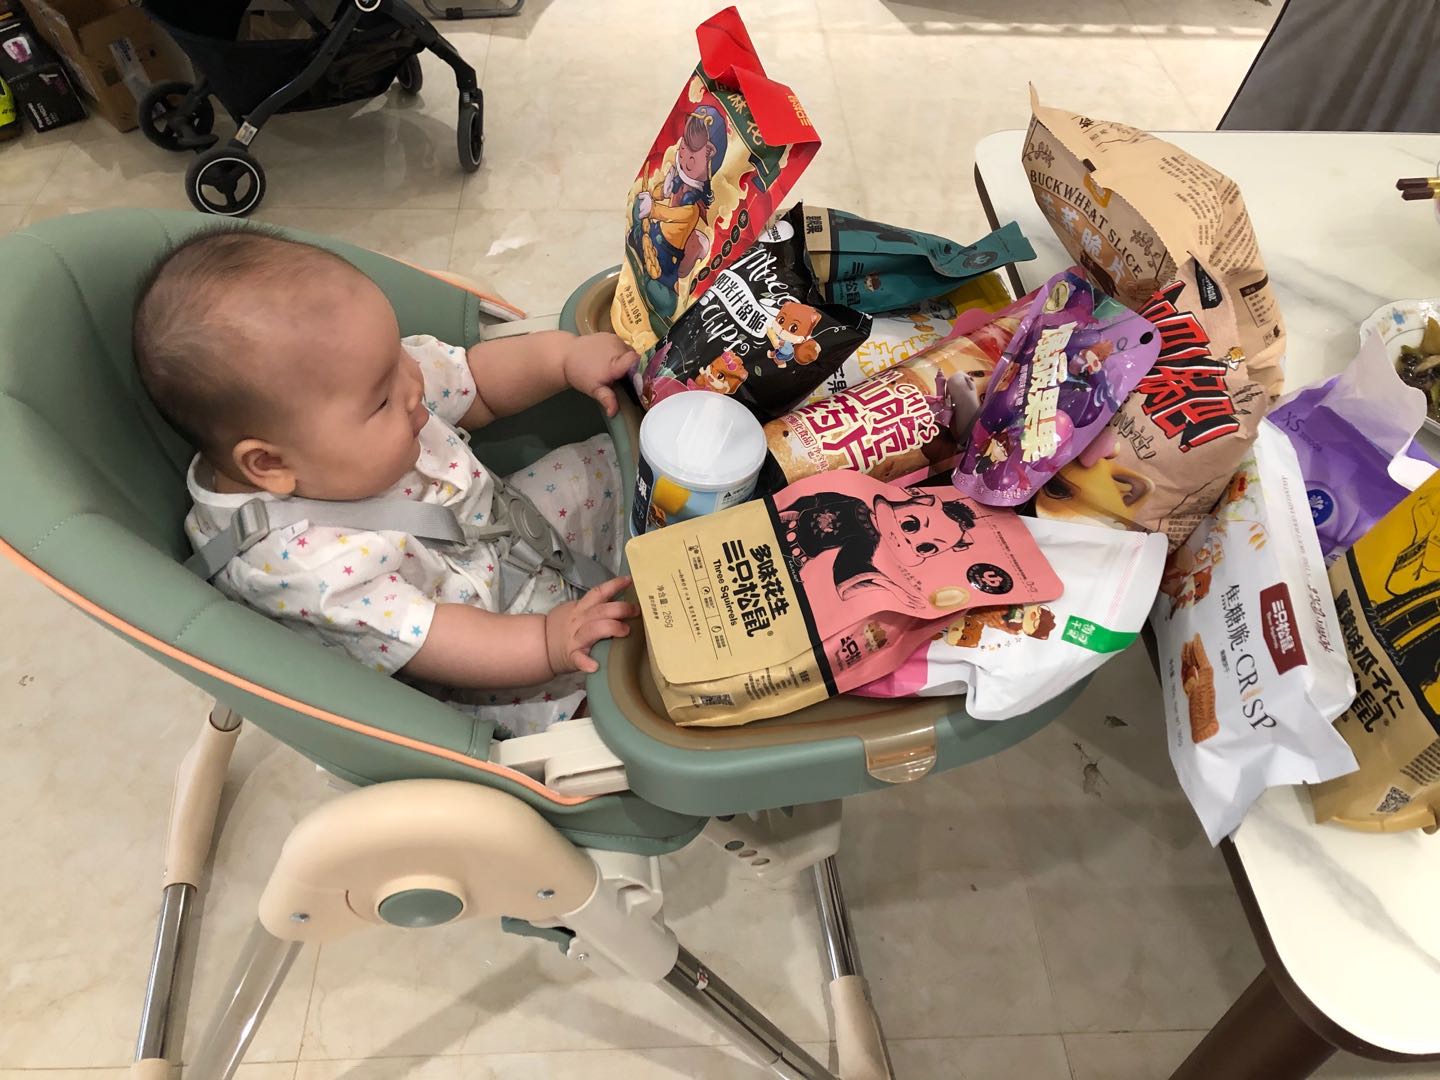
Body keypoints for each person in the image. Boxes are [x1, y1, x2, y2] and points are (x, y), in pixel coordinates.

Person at [133, 228, 641, 737]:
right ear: (269, 464)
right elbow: (431, 638)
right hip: (482, 652)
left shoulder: (360, 383)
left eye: (397, 355)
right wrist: (550, 642)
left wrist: (561, 359)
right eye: (381, 399)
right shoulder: (306, 569)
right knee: (602, 718)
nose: (413, 384)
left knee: (624, 465)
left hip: (506, 529)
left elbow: (476, 382)